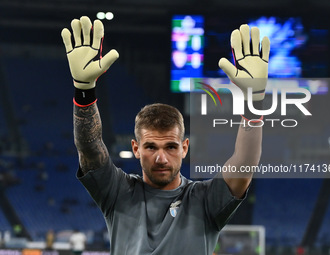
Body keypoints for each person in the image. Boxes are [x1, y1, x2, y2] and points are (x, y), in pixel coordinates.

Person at [61, 16, 270, 255]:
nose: (161, 158)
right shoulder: (118, 192)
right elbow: (89, 147)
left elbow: (245, 162)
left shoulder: (204, 200)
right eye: (151, 147)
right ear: (136, 148)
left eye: (170, 147)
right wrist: (84, 90)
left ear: (185, 147)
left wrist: (254, 100)